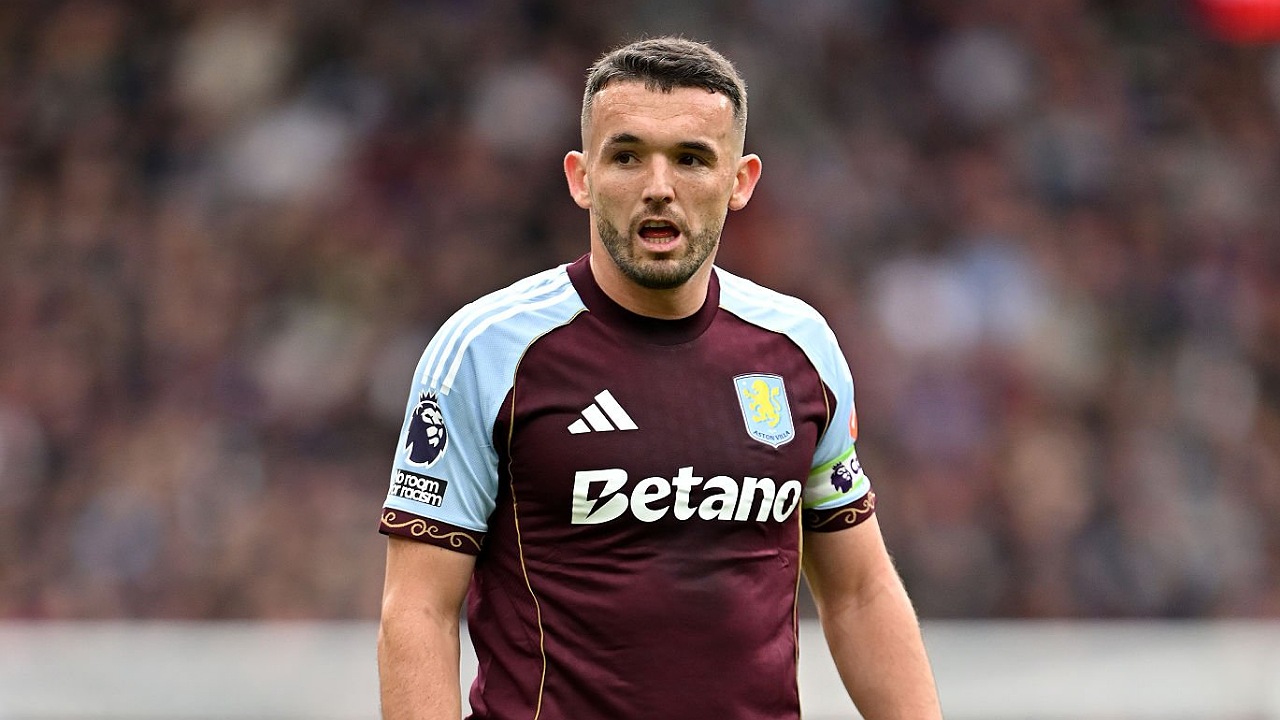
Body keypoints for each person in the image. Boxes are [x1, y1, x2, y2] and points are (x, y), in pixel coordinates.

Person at [376, 36, 941, 720]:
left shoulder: (801, 349)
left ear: (740, 181)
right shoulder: (486, 350)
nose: (658, 188)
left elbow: (859, 593)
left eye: (691, 159)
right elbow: (418, 609)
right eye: (626, 156)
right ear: (581, 177)